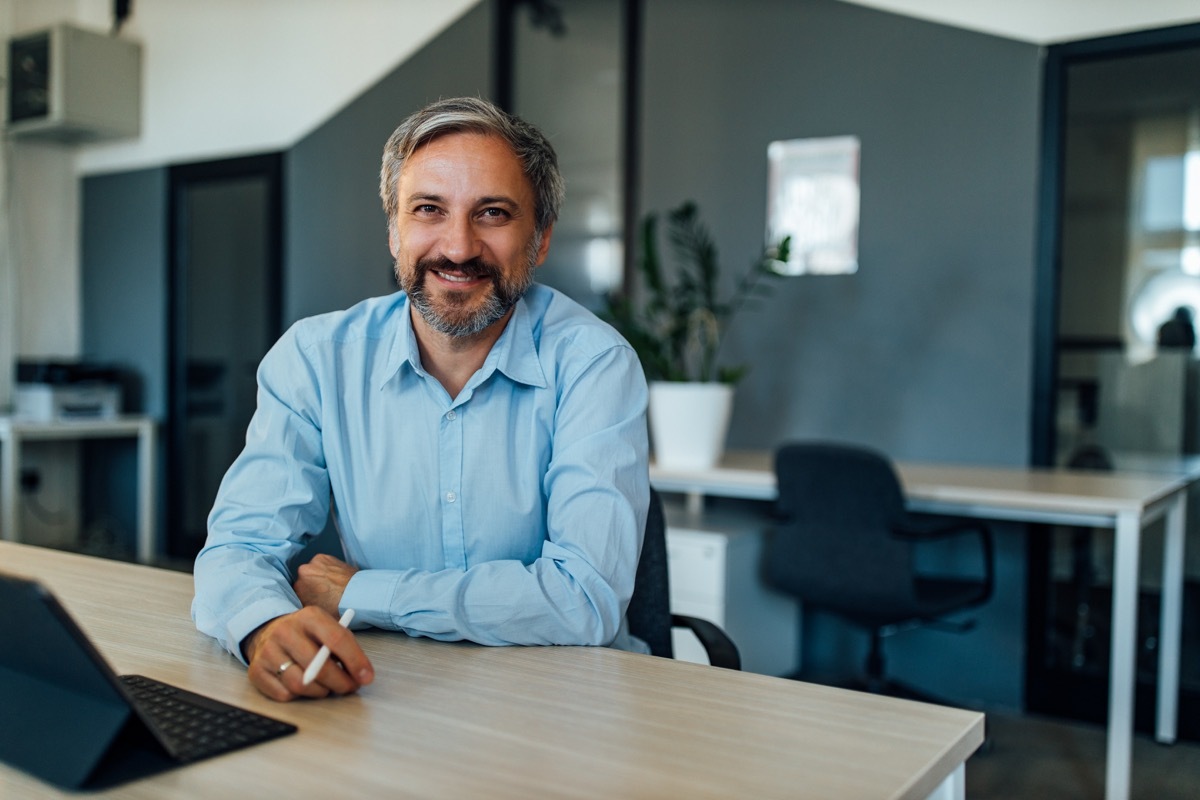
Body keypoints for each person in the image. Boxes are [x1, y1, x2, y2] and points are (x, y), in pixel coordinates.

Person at [192, 96, 650, 702]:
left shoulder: (594, 363)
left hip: (565, 702)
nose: (458, 247)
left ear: (538, 242)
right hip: (389, 692)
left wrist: (362, 593)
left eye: (492, 213)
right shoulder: (315, 359)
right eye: (429, 210)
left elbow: (585, 599)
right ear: (394, 232)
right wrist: (263, 625)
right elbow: (240, 546)